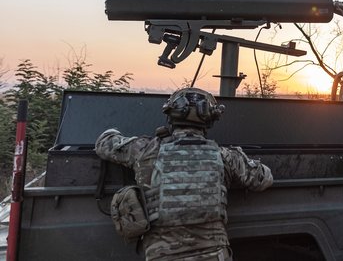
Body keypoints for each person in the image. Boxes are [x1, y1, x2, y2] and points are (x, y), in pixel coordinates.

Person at [95, 87, 273, 261]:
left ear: (171, 116)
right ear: (209, 120)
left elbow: (104, 143)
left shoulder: (145, 149)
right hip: (215, 254)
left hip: (161, 254)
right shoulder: (224, 156)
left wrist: (114, 132)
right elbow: (263, 178)